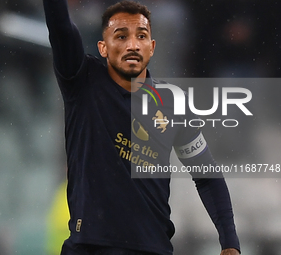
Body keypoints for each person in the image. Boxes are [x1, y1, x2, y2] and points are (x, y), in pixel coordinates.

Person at [43, 0, 241, 254]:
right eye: (121, 36)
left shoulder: (171, 102)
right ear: (103, 47)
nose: (133, 45)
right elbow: (60, 26)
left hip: (152, 248)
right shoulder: (83, 80)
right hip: (90, 247)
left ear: (152, 47)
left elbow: (207, 176)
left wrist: (230, 243)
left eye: (141, 36)